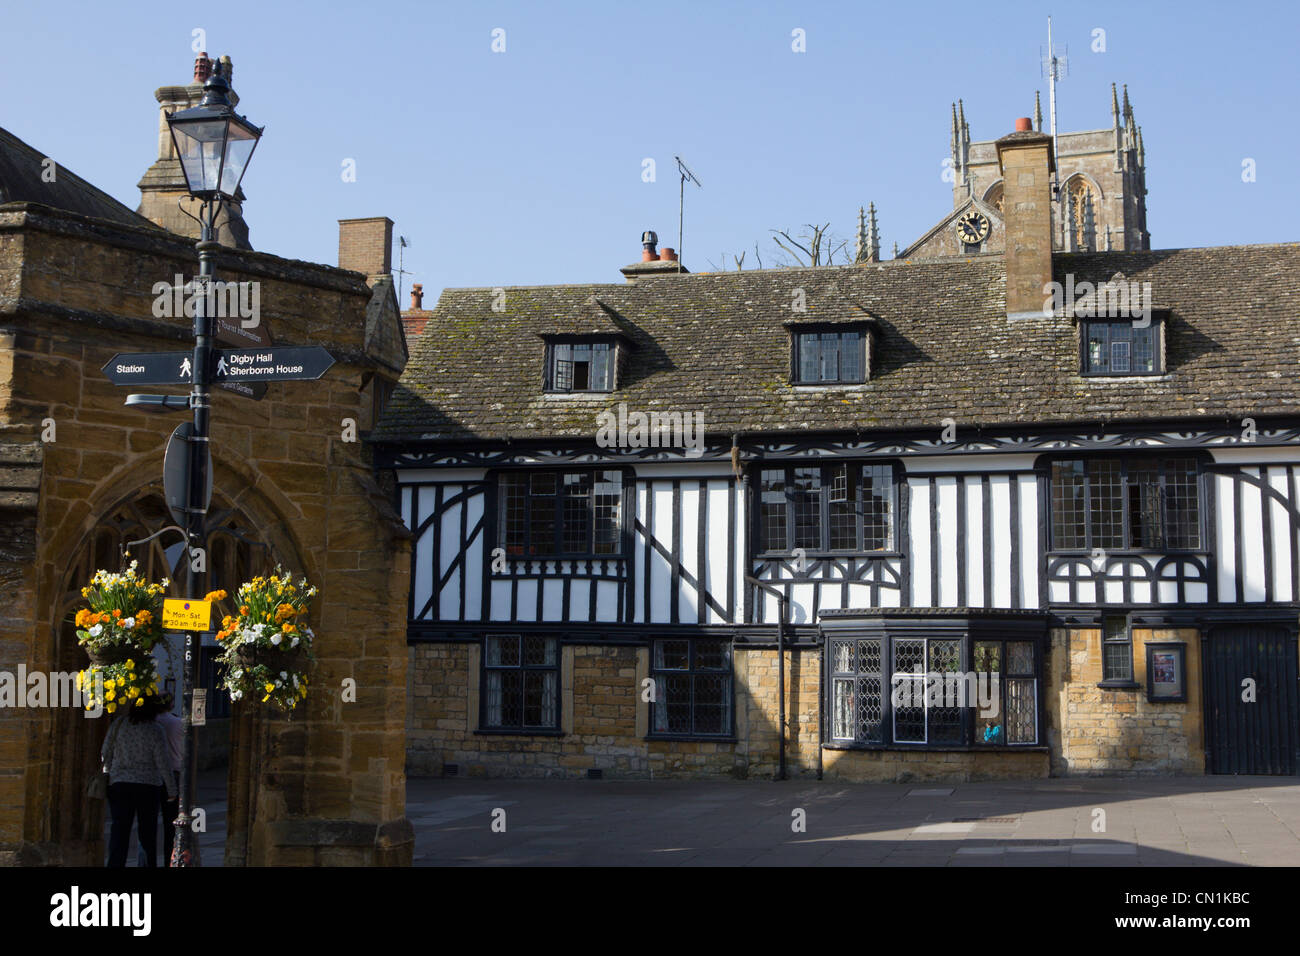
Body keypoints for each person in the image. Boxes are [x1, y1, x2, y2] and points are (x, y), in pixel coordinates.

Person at [102, 694, 176, 868]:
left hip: (120, 784)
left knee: (119, 830)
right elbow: (163, 761)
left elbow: (106, 752)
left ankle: (115, 864)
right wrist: (172, 790)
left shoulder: (119, 724)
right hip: (148, 786)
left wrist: (109, 773)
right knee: (147, 833)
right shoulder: (155, 729)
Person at [138, 693, 184, 867]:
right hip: (173, 773)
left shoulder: (151, 722)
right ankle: (169, 860)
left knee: (147, 823)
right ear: (171, 704)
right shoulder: (178, 723)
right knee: (171, 823)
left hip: (151, 774)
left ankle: (146, 863)